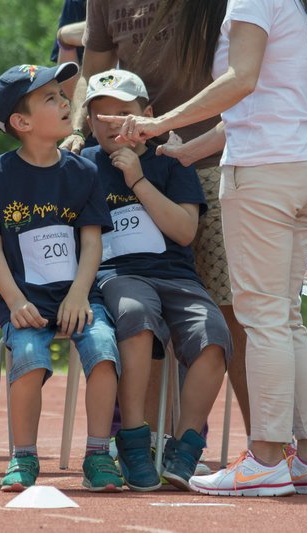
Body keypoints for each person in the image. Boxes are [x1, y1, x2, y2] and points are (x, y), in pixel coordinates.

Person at [100, 0, 307, 497]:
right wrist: (190, 150)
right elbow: (265, 98)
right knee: (286, 316)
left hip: (266, 169)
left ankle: (265, 459)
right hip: (306, 160)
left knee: (263, 317)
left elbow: (241, 80)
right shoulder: (303, 4)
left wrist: (155, 122)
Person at [61, 0, 252, 451]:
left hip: (207, 159)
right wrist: (75, 131)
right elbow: (92, 69)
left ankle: (267, 447)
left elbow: (251, 69)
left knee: (233, 315)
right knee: (140, 310)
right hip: (133, 156)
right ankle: (147, 442)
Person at [0, 62, 123, 493]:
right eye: (50, 97)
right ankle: (23, 458)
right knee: (30, 357)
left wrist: (78, 295)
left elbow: (91, 244)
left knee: (104, 348)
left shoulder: (83, 172)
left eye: (61, 93)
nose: (64, 101)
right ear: (22, 122)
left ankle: (97, 454)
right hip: (25, 300)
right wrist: (15, 302)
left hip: (76, 298)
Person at [81, 69, 231, 491]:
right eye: (101, 116)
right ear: (89, 123)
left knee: (213, 333)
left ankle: (184, 446)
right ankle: (133, 438)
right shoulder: (81, 166)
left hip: (176, 276)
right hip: (118, 276)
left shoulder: (171, 161)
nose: (112, 123)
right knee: (134, 313)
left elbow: (184, 231)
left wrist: (138, 180)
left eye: (123, 113)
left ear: (147, 115)